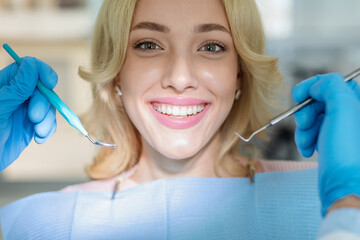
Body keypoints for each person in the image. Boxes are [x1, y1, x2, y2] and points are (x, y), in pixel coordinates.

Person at [1, 0, 360, 239]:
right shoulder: (39, 225)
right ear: (116, 74)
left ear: (239, 75)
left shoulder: (327, 199)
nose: (180, 76)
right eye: (149, 44)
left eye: (212, 47)